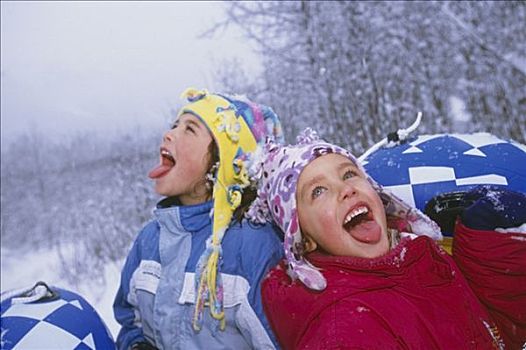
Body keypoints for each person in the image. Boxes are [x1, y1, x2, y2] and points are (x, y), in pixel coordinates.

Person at [247, 128, 505, 349]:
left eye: (348, 174)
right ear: (303, 241)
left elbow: (492, 331)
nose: (346, 189)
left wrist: (486, 241)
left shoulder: (421, 255)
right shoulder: (344, 334)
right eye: (318, 191)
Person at [113, 88, 284, 350]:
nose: (168, 134)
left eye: (189, 129)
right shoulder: (149, 240)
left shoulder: (253, 247)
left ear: (224, 163)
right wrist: (136, 345)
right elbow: (130, 321)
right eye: (174, 125)